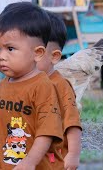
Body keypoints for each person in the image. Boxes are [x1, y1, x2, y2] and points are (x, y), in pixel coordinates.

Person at [0, 2, 64, 170]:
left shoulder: (43, 86)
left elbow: (47, 132)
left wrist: (29, 162)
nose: (1, 56)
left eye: (10, 48)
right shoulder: (4, 85)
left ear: (37, 53)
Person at [37, 11, 82, 170]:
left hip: (54, 159)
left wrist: (74, 154)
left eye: (35, 52)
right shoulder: (20, 84)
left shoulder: (60, 86)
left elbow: (72, 124)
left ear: (54, 56)